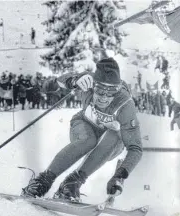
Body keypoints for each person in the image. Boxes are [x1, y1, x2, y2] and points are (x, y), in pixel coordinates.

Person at [21, 58, 143, 201]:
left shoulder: (125, 105)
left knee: (116, 135)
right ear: (93, 85)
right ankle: (42, 181)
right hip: (83, 125)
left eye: (111, 92)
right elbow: (59, 80)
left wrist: (120, 175)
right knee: (88, 140)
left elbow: (135, 148)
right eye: (100, 90)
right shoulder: (88, 80)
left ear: (118, 90)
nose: (104, 96)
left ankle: (71, 183)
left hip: (108, 145)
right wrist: (74, 80)